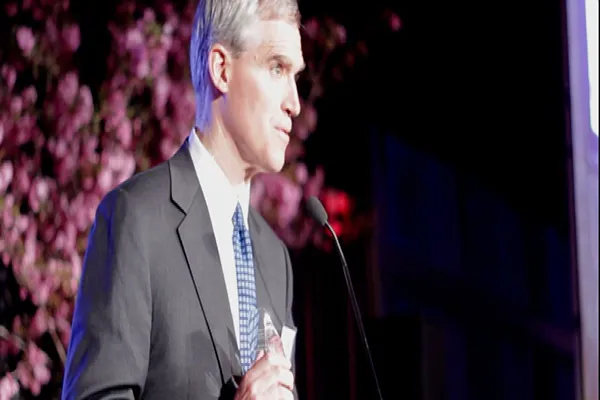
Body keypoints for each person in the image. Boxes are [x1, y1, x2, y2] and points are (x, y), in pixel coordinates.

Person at [61, 0, 304, 398]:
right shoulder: (135, 219)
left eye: (295, 76)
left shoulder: (276, 259)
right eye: (277, 68)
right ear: (222, 69)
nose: (294, 102)